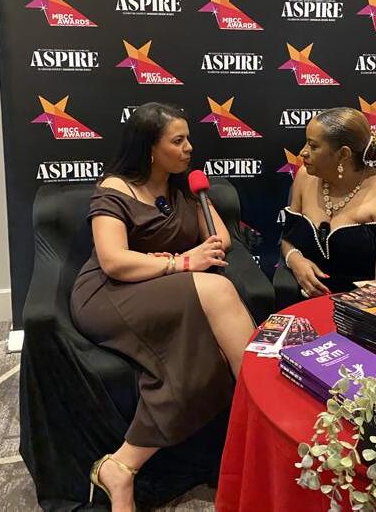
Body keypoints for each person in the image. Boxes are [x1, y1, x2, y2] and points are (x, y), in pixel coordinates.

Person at [70, 102, 255, 512]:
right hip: (111, 293)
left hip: (168, 289)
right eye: (178, 140)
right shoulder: (115, 188)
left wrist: (195, 246)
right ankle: (260, 425)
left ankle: (120, 467)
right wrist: (182, 262)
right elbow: (114, 261)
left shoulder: (186, 185)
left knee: (206, 351)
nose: (189, 147)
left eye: (189, 138)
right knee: (219, 292)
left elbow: (221, 240)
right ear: (150, 148)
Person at [280, 107, 376, 302]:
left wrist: (337, 312)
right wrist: (295, 261)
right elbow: (288, 239)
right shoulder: (305, 177)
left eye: (313, 146)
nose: (303, 152)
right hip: (313, 300)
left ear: (343, 154)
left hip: (369, 307)